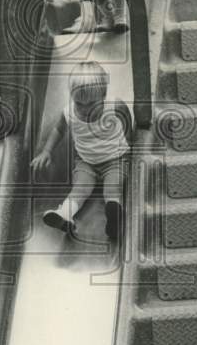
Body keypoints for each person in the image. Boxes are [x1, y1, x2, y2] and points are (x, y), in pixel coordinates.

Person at [31, 61, 132, 246]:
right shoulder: (69, 113)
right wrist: (46, 151)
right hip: (86, 162)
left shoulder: (115, 107)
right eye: (79, 103)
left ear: (103, 96)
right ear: (72, 97)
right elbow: (58, 131)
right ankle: (64, 215)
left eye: (91, 104)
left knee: (113, 187)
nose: (85, 110)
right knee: (80, 189)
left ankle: (114, 216)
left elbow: (128, 123)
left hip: (115, 160)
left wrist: (131, 148)